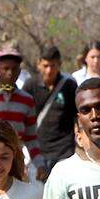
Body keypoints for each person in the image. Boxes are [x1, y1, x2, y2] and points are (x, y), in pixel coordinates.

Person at [25, 45, 78, 179]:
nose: (49, 70)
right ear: (39, 65)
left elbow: (77, 116)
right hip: (37, 151)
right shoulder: (30, 86)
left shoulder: (69, 86)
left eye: (53, 66)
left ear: (59, 65)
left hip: (64, 150)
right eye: (45, 65)